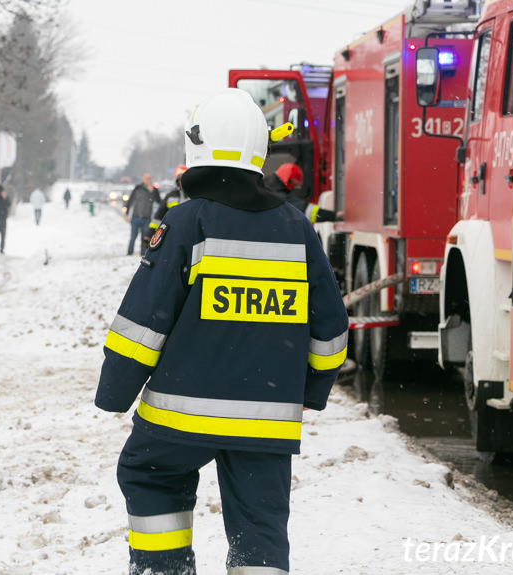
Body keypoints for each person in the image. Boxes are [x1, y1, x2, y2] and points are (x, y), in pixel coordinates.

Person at [95, 88, 349, 575]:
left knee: (150, 475)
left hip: (180, 417)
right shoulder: (297, 229)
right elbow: (331, 334)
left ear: (196, 149)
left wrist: (115, 391)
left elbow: (143, 324)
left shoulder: (188, 221)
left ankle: (163, 568)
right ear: (260, 151)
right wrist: (309, 393)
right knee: (261, 525)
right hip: (267, 425)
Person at [265, 163, 341, 223]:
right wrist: (334, 216)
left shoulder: (268, 187)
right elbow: (306, 210)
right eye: (295, 185)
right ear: (289, 180)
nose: (293, 188)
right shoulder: (278, 196)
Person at [143, 164, 188, 242]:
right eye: (180, 179)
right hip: (174, 235)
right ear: (177, 181)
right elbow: (159, 216)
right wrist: (149, 234)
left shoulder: (196, 196)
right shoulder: (170, 197)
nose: (182, 182)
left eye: (185, 179)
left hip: (191, 234)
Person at [123, 172, 160, 255]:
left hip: (146, 217)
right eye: (146, 178)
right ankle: (130, 252)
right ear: (142, 179)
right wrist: (126, 213)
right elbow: (130, 201)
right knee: (133, 236)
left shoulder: (153, 190)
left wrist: (153, 191)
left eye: (149, 178)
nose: (147, 180)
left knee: (145, 237)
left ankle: (143, 253)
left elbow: (159, 201)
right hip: (136, 216)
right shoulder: (138, 188)